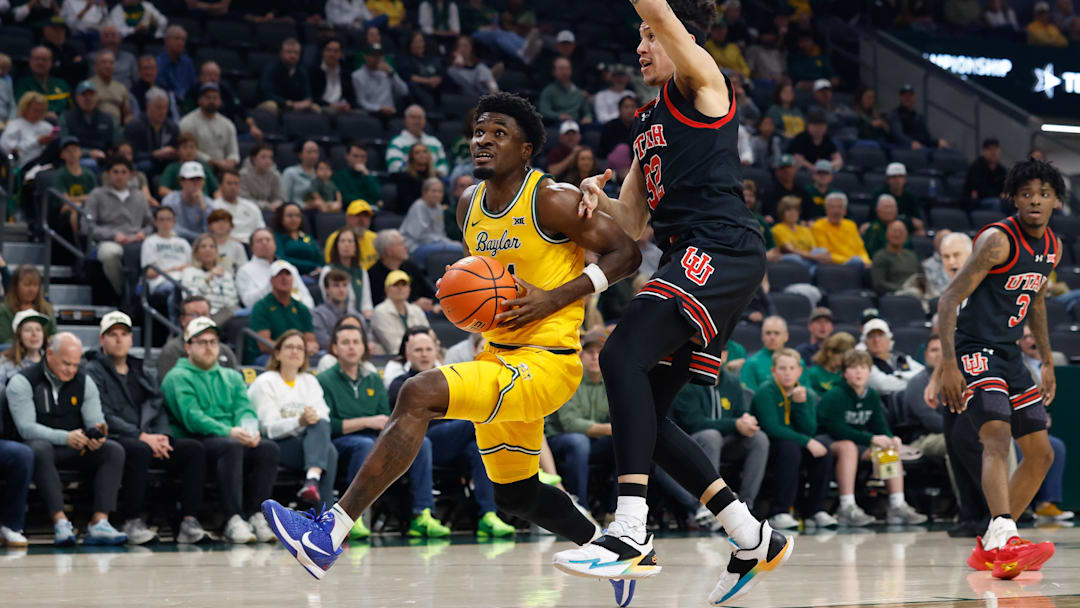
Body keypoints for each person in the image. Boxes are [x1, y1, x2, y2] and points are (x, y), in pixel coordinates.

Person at [262, 92, 639, 583]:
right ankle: (609, 554)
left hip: (547, 363)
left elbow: (627, 254)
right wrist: (464, 295)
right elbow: (489, 284)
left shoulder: (552, 198)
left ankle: (326, 534)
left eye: (499, 133)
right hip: (497, 357)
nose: (483, 140)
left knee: (417, 392)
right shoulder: (468, 204)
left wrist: (554, 298)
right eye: (479, 132)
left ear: (526, 149)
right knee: (516, 495)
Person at [556, 3, 791, 602]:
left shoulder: (704, 82)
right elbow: (632, 221)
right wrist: (592, 199)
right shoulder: (644, 121)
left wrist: (656, 16)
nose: (641, 45)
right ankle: (748, 535)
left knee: (618, 356)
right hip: (692, 258)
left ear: (676, 37)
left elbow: (660, 10)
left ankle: (630, 528)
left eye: (649, 35)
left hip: (721, 248)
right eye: (637, 35)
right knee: (650, 420)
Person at [926, 159, 1063, 578]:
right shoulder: (996, 241)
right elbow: (948, 299)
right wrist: (947, 364)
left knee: (1041, 454)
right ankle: (1005, 537)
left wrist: (1046, 360)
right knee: (997, 435)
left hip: (1009, 352)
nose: (1034, 200)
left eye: (1042, 193)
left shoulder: (1052, 246)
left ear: (1056, 199)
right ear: (1014, 199)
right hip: (973, 348)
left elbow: (1036, 302)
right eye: (1026, 194)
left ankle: (992, 545)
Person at [85, 311, 210, 544]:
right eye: (112, 335)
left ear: (132, 339)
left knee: (193, 449)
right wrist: (142, 436)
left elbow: (159, 406)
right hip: (116, 437)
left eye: (124, 334)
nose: (119, 339)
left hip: (150, 437)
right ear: (102, 340)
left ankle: (188, 521)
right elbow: (103, 415)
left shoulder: (143, 369)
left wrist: (162, 436)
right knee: (138, 449)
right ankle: (131, 520)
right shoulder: (92, 371)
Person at [161, 317, 279, 543]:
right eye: (202, 342)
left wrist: (249, 430)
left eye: (213, 342)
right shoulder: (177, 377)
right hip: (196, 439)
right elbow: (192, 417)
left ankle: (256, 515)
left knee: (268, 448)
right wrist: (230, 431)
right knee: (231, 446)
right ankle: (232, 518)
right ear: (188, 346)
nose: (208, 347)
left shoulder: (232, 376)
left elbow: (244, 408)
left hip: (231, 436)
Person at [387, 331, 515, 536]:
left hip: (451, 444)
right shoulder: (400, 384)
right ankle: (422, 514)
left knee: (476, 447)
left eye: (428, 349)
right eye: (418, 350)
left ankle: (488, 516)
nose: (424, 354)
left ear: (437, 352)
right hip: (417, 446)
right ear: (408, 355)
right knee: (475, 421)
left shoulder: (447, 381)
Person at [9, 333, 128, 546]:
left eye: (75, 364)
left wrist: (97, 435)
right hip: (42, 449)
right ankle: (60, 523)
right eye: (66, 363)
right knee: (38, 449)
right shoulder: (23, 381)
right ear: (50, 353)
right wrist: (65, 437)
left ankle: (99, 522)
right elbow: (26, 428)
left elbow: (96, 421)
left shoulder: (85, 381)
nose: (71, 370)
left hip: (76, 446)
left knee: (113, 450)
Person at [819, 349, 928, 526]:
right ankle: (847, 507)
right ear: (845, 373)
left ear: (869, 372)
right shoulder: (835, 395)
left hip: (857, 441)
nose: (859, 372)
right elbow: (835, 429)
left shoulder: (871, 395)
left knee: (887, 449)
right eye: (853, 368)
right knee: (848, 447)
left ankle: (897, 505)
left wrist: (891, 438)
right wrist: (870, 439)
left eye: (863, 367)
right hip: (827, 440)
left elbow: (880, 425)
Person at [249, 331, 337, 506]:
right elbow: (269, 428)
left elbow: (323, 415)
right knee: (329, 452)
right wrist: (300, 421)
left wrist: (309, 420)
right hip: (275, 444)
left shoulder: (309, 381)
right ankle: (324, 514)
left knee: (321, 426)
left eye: (300, 348)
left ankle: (312, 482)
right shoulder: (265, 382)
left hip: (307, 440)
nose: (295, 351)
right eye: (289, 347)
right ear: (277, 353)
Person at [752, 348, 836, 530]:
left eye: (792, 368)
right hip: (768, 445)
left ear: (799, 371)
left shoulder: (806, 394)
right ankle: (779, 511)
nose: (787, 373)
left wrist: (800, 406)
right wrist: (806, 441)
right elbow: (772, 428)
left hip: (794, 444)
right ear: (773, 371)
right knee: (789, 449)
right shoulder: (765, 392)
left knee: (823, 453)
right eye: (782, 368)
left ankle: (816, 511)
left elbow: (810, 429)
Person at [671, 366, 769, 517]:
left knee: (759, 439)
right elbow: (692, 423)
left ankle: (746, 507)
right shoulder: (688, 381)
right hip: (692, 441)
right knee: (711, 436)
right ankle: (707, 505)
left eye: (722, 350)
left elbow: (740, 414)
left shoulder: (732, 381)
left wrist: (746, 422)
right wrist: (734, 424)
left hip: (725, 442)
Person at [544, 329, 618, 516]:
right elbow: (570, 423)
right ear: (581, 355)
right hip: (558, 440)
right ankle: (580, 508)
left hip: (596, 442)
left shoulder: (614, 383)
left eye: (599, 352)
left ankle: (616, 510)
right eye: (590, 352)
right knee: (578, 442)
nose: (594, 357)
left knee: (628, 444)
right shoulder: (569, 379)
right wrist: (611, 429)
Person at [1017, 324, 1073, 522]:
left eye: (1034, 336)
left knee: (1056, 446)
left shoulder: (1056, 359)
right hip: (1023, 423)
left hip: (1053, 421)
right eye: (1025, 338)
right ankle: (1022, 505)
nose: (1031, 341)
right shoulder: (1016, 363)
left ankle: (1046, 504)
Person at [85, 156, 154, 297]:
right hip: (110, 240)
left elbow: (151, 224)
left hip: (137, 240)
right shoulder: (97, 195)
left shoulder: (140, 196)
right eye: (115, 172)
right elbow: (87, 226)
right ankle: (124, 294)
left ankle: (147, 293)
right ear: (108, 174)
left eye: (123, 172)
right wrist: (113, 235)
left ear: (130, 175)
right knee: (109, 254)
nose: (119, 176)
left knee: (156, 250)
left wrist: (143, 233)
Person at [247, 260, 319, 364]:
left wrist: (311, 347)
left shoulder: (302, 308)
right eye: (279, 274)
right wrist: (291, 350)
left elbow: (310, 340)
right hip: (270, 355)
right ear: (272, 280)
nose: (284, 278)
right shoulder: (261, 307)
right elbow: (264, 345)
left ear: (293, 279)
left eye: (288, 274)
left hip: (298, 353)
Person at [157, 295, 240, 378]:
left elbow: (236, 384)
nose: (200, 319)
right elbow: (169, 387)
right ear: (182, 320)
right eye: (194, 315)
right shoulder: (172, 351)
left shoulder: (225, 351)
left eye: (204, 314)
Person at [236, 228, 316, 310]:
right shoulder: (244, 271)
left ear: (275, 244)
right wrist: (271, 284)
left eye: (268, 240)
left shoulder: (288, 266)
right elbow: (248, 302)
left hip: (297, 314)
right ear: (251, 248)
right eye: (259, 241)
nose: (264, 243)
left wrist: (305, 312)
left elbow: (305, 296)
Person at [898, 334, 946, 459]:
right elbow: (931, 422)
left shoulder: (955, 381)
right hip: (923, 438)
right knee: (958, 441)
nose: (940, 355)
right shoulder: (917, 383)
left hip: (949, 432)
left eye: (943, 350)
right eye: (934, 350)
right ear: (925, 355)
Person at [367, 229, 438, 309]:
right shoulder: (372, 274)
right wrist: (413, 306)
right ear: (388, 251)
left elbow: (431, 293)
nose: (406, 247)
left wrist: (431, 303)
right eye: (401, 244)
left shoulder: (410, 266)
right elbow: (379, 305)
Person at [141, 205, 190, 315]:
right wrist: (174, 269)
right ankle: (176, 329)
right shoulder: (150, 242)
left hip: (185, 280)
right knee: (177, 291)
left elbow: (192, 265)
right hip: (161, 283)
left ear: (174, 221)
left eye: (169, 219)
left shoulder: (183, 243)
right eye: (161, 219)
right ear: (155, 222)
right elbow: (149, 273)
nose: (165, 223)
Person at [179, 83, 238, 174]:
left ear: (220, 101)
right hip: (198, 168)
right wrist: (213, 161)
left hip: (224, 169)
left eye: (215, 98)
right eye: (208, 97)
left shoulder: (227, 124)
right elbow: (187, 150)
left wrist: (231, 161)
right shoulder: (187, 122)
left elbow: (233, 152)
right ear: (199, 100)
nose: (211, 101)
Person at [399, 177, 461, 265]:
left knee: (458, 246)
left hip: (434, 244)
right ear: (424, 192)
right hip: (415, 246)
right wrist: (444, 243)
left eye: (440, 192)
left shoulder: (438, 207)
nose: (437, 194)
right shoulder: (419, 206)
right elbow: (420, 236)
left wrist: (446, 241)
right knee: (459, 249)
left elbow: (440, 233)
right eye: (434, 191)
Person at [180, 233, 240, 322]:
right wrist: (208, 279)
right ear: (196, 253)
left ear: (216, 252)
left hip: (228, 313)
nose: (208, 249)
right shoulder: (189, 272)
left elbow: (232, 299)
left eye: (212, 247)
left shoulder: (225, 274)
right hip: (204, 315)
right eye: (203, 247)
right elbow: (189, 298)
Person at [59, 80, 122, 164]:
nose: (88, 98)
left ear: (97, 96)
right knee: (90, 163)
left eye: (91, 95)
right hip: (76, 160)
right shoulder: (66, 117)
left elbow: (118, 143)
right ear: (77, 97)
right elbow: (63, 144)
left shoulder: (108, 118)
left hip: (105, 160)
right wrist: (88, 153)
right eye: (84, 95)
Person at [371, 271, 430, 354]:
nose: (400, 288)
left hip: (419, 355)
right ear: (386, 289)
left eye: (404, 284)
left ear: (409, 289)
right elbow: (393, 346)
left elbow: (429, 336)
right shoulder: (380, 312)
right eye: (395, 285)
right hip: (390, 360)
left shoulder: (417, 310)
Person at [319, 227, 373, 318]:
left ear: (356, 247)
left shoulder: (361, 272)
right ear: (336, 246)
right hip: (334, 316)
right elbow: (326, 299)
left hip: (359, 317)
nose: (346, 245)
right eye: (342, 241)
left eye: (350, 241)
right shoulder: (328, 271)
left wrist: (367, 314)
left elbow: (366, 303)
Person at [124, 87, 179, 175]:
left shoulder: (172, 127)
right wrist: (154, 154)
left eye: (165, 108)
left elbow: (177, 148)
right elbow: (133, 154)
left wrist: (174, 152)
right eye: (158, 107)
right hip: (143, 165)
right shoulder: (135, 126)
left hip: (165, 164)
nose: (162, 112)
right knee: (146, 165)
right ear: (148, 106)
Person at [0, 267, 58, 345]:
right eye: (27, 285)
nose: (32, 289)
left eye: (35, 285)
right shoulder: (4, 310)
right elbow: (5, 341)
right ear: (16, 286)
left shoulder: (46, 308)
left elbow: (54, 334)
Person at [1, 92, 58, 171]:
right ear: (25, 108)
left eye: (41, 111)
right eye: (35, 110)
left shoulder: (48, 127)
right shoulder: (14, 125)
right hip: (24, 165)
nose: (38, 114)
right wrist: (37, 142)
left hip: (47, 163)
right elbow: (11, 151)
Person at [811, 192, 871, 267]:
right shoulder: (818, 226)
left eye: (840, 207)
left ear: (845, 211)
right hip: (835, 265)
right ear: (826, 210)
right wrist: (850, 260)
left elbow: (861, 250)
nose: (836, 211)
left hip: (857, 264)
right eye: (832, 207)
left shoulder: (851, 225)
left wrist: (866, 261)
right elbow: (826, 254)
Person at [387, 105, 449, 177]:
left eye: (420, 117)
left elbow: (444, 165)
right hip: (408, 180)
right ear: (406, 120)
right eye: (413, 117)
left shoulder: (435, 142)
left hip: (433, 180)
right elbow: (394, 166)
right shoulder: (397, 142)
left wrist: (433, 173)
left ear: (425, 121)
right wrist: (417, 173)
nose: (417, 121)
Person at [258, 39, 316, 114]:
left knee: (315, 108)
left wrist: (306, 101)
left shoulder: (302, 71)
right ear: (281, 53)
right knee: (271, 106)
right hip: (277, 104)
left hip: (295, 105)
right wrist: (286, 103)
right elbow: (266, 94)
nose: (292, 55)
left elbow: (307, 93)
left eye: (296, 53)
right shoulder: (271, 69)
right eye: (289, 52)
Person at [772, 196, 830, 270]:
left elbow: (814, 249)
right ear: (782, 212)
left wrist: (817, 256)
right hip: (793, 258)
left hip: (809, 259)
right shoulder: (778, 228)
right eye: (789, 210)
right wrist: (815, 257)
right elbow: (791, 250)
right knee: (795, 258)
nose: (793, 213)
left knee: (822, 250)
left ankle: (813, 273)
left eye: (795, 210)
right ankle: (813, 273)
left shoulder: (805, 229)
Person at [740, 316, 799, 390]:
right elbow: (748, 396)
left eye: (776, 333)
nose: (772, 337)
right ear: (762, 336)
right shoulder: (751, 364)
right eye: (768, 333)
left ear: (786, 336)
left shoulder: (797, 362)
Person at [350, 43, 407, 117]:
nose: (377, 58)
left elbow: (404, 91)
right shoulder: (357, 76)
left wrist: (392, 74)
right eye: (374, 55)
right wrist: (379, 109)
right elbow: (361, 101)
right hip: (371, 114)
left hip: (391, 113)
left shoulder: (388, 71)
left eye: (379, 56)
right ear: (365, 57)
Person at [13, 47, 70, 119]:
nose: (40, 62)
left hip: (61, 124)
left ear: (51, 62)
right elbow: (22, 107)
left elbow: (71, 109)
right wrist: (45, 114)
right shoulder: (22, 84)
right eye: (37, 59)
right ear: (30, 62)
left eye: (44, 59)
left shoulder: (62, 84)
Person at [313, 268, 363, 351]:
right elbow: (324, 342)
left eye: (344, 285)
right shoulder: (318, 314)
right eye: (336, 285)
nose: (341, 290)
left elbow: (365, 340)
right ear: (326, 289)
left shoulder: (356, 315)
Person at [887, 84, 949, 150]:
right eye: (905, 95)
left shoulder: (919, 116)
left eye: (910, 95)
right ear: (900, 97)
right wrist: (910, 142)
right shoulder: (895, 114)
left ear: (914, 97)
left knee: (948, 150)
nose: (907, 98)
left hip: (921, 149)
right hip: (903, 149)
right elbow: (897, 134)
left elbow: (926, 137)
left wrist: (937, 142)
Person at [162, 161, 212, 241]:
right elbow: (172, 228)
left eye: (199, 179)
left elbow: (212, 230)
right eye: (191, 179)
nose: (195, 183)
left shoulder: (209, 203)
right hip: (176, 242)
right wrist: (198, 237)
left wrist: (203, 208)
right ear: (181, 181)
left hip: (202, 246)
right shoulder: (170, 200)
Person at [272, 202, 324, 276]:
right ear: (281, 218)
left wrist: (319, 268)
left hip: (314, 275)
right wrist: (312, 266)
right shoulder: (276, 237)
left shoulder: (306, 237)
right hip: (288, 276)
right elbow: (282, 260)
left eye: (297, 215)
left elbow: (320, 258)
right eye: (290, 216)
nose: (294, 219)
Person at [213, 170, 265, 243]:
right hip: (228, 244)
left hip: (252, 245)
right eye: (229, 183)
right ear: (220, 186)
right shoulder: (214, 207)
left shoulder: (251, 206)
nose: (233, 187)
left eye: (236, 184)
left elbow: (261, 228)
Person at [158, 133, 217, 198]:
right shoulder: (172, 168)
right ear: (178, 150)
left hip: (203, 203)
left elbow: (217, 190)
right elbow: (162, 190)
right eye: (184, 147)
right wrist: (182, 197)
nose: (189, 151)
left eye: (192, 147)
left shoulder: (203, 167)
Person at [324, 199, 378, 269]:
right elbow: (331, 266)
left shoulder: (375, 238)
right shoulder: (335, 238)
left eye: (366, 216)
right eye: (357, 215)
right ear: (347, 218)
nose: (362, 220)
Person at [871, 220, 922, 295]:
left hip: (916, 295)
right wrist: (903, 289)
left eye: (901, 232)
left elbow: (921, 278)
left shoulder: (912, 256)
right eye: (894, 231)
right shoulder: (880, 256)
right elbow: (879, 283)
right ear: (887, 234)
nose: (897, 234)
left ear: (906, 236)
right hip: (893, 296)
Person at [0, 309, 48, 389]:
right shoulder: (4, 362)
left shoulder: (52, 361)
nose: (34, 334)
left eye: (38, 329)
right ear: (19, 336)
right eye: (28, 330)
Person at [538, 58, 592, 125]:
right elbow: (544, 111)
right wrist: (559, 116)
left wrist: (587, 117)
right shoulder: (548, 91)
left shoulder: (578, 92)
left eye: (567, 69)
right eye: (561, 69)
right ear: (554, 72)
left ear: (571, 71)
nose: (564, 72)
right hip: (557, 125)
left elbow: (587, 112)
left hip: (576, 125)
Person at [311, 38, 356, 115]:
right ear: (323, 52)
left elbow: (351, 97)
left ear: (341, 54)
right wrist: (330, 105)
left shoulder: (345, 72)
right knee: (331, 112)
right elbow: (314, 97)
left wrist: (348, 105)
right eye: (328, 50)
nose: (332, 54)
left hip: (342, 107)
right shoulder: (314, 71)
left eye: (336, 51)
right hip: (322, 107)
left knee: (362, 115)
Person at [332, 144, 383, 211]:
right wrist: (370, 201)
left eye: (363, 157)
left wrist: (366, 174)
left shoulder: (369, 176)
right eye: (355, 156)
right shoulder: (338, 176)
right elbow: (345, 199)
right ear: (347, 156)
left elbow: (378, 195)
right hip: (350, 211)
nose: (359, 160)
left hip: (371, 211)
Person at [803, 331, 856, 395]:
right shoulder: (814, 374)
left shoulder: (847, 373)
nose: (846, 358)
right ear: (830, 352)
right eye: (843, 354)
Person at [88, 51, 132, 126]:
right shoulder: (89, 85)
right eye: (104, 62)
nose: (108, 66)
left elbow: (127, 114)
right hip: (95, 128)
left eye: (111, 63)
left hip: (117, 130)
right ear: (96, 66)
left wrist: (126, 128)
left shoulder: (121, 87)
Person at [964, 137, 1008, 209]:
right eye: (991, 150)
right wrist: (999, 195)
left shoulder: (1001, 170)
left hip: (997, 199)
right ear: (984, 151)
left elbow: (1005, 186)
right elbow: (981, 189)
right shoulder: (976, 167)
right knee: (996, 203)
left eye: (996, 149)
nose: (994, 153)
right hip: (979, 201)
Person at [239, 144, 285, 211]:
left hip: (272, 210)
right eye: (263, 157)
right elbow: (243, 199)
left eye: (270, 158)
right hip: (249, 210)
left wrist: (276, 204)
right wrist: (267, 206)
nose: (268, 161)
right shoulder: (243, 175)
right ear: (254, 159)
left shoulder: (275, 175)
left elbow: (280, 197)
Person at [156, 26, 196, 101]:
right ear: (166, 40)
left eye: (183, 40)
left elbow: (193, 86)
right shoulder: (158, 62)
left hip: (186, 103)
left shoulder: (188, 63)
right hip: (165, 101)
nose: (180, 42)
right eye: (177, 38)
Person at [282, 140, 322, 205]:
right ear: (300, 154)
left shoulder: (322, 175)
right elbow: (285, 199)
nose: (313, 155)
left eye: (316, 152)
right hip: (296, 212)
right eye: (309, 152)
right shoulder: (290, 173)